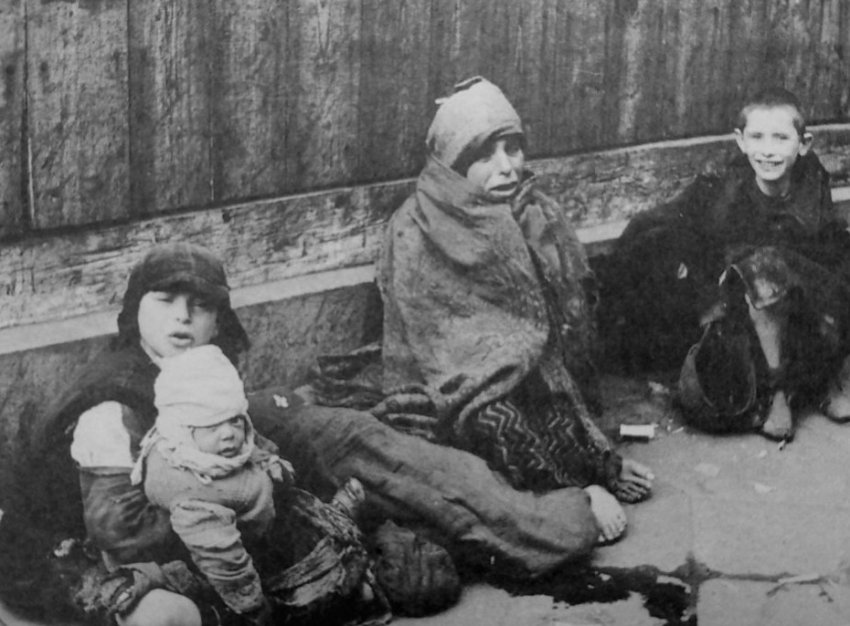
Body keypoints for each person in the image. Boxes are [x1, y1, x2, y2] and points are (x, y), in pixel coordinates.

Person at [4, 242, 381, 626]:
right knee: (171, 616)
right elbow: (119, 530)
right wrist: (225, 513)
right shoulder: (112, 406)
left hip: (194, 525)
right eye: (165, 301)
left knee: (328, 566)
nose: (182, 317)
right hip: (76, 547)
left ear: (218, 321)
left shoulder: (204, 373)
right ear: (136, 310)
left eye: (200, 305)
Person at [376, 76, 654, 543]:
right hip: (457, 377)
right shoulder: (415, 228)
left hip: (529, 359)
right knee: (494, 417)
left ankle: (595, 464)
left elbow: (558, 315)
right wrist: (501, 361)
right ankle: (568, 494)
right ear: (452, 166)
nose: (506, 167)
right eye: (485, 155)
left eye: (513, 148)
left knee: (549, 389)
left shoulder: (533, 212)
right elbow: (435, 338)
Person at [604, 87, 850, 441]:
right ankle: (777, 391)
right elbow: (666, 223)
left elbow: (826, 253)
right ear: (741, 141)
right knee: (757, 273)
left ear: (803, 144)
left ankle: (825, 377)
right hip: (741, 306)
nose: (768, 150)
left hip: (797, 306)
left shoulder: (812, 184)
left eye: (781, 138)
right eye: (757, 137)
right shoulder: (724, 188)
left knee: (803, 268)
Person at [131, 344, 293, 620]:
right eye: (212, 425)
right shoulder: (192, 491)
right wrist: (254, 606)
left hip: (249, 529)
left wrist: (269, 461)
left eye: (234, 421)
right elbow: (222, 559)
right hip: (214, 568)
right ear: (183, 430)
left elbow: (252, 442)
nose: (228, 434)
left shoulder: (208, 446)